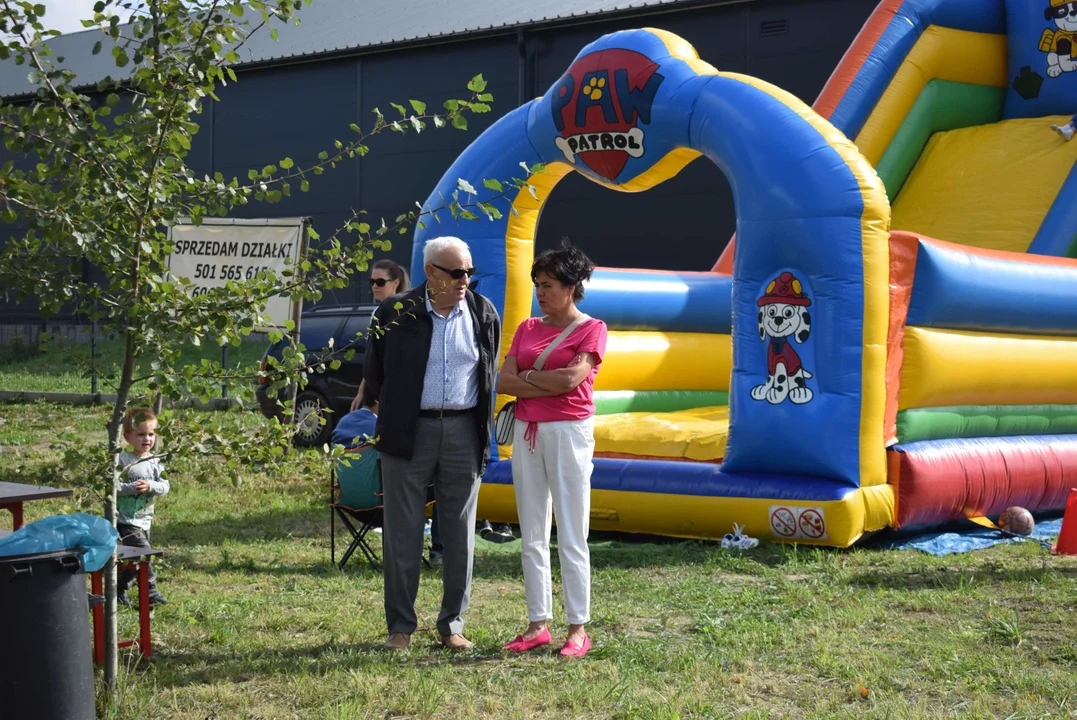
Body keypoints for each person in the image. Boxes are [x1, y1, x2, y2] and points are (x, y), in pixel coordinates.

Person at [363, 235, 501, 651]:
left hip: (463, 429)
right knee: (403, 533)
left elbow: (489, 372)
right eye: (456, 272)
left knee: (459, 533)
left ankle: (452, 626)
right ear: (430, 273)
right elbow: (376, 373)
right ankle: (400, 628)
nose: (465, 280)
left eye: (469, 272)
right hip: (409, 431)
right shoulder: (395, 311)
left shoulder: (482, 312)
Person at [496, 242, 607, 658]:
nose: (540, 292)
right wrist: (543, 379)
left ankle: (578, 628)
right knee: (532, 531)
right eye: (537, 284)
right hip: (528, 430)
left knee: (572, 532)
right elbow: (504, 381)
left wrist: (529, 377)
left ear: (572, 286)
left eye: (548, 284)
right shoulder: (526, 328)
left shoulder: (592, 328)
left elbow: (571, 382)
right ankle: (537, 624)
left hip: (569, 432)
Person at [116, 407, 170, 607]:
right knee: (144, 554)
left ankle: (119, 589)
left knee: (133, 561)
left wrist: (151, 486)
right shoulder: (122, 460)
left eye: (151, 434)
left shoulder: (154, 461)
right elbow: (112, 486)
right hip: (125, 519)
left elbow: (165, 486)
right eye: (141, 434)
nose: (147, 439)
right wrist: (132, 488)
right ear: (128, 437)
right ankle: (151, 592)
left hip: (144, 519)